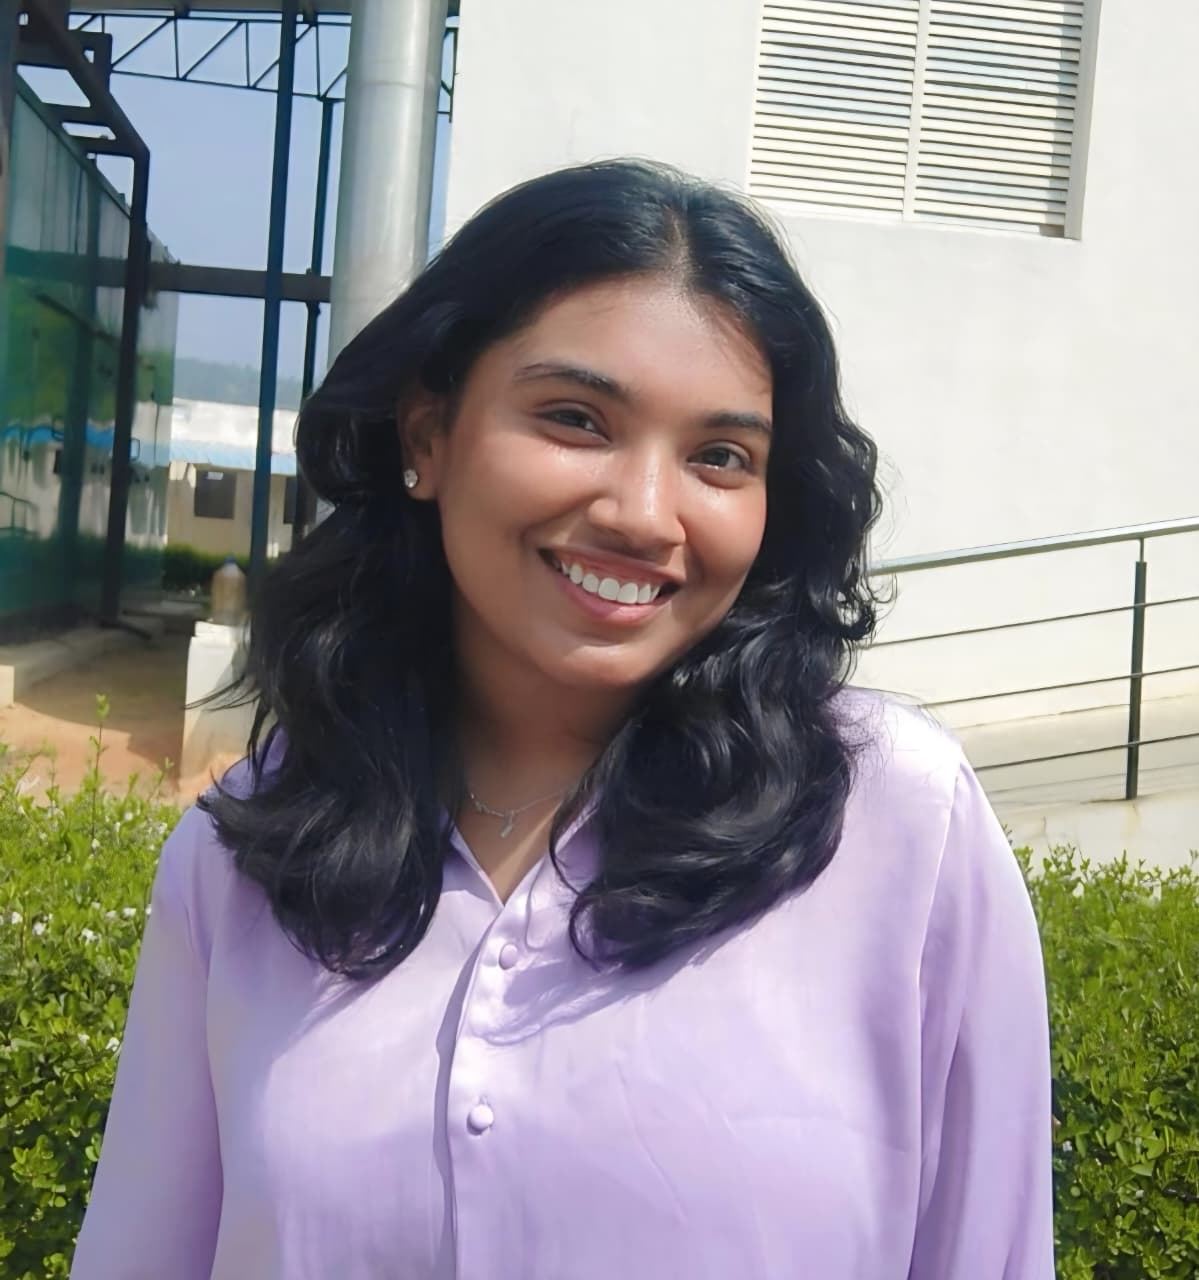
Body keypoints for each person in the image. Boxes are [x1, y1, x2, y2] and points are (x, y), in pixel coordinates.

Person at [72, 159, 1054, 1279]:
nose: (644, 514)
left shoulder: (897, 830)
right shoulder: (246, 855)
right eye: (576, 419)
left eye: (719, 457)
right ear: (427, 435)